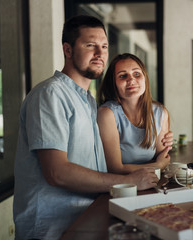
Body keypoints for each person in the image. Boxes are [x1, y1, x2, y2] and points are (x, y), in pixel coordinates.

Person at [13, 16, 159, 240]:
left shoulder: (88, 101)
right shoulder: (50, 94)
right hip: (51, 230)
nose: (100, 54)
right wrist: (128, 181)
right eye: (90, 45)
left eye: (104, 46)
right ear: (68, 50)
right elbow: (56, 172)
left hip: (85, 220)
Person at [97, 53, 172, 174]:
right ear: (113, 84)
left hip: (150, 182)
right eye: (122, 76)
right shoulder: (107, 114)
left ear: (145, 78)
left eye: (136, 73)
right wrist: (157, 166)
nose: (131, 79)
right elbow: (115, 168)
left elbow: (162, 156)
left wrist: (159, 164)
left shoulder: (160, 112)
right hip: (120, 187)